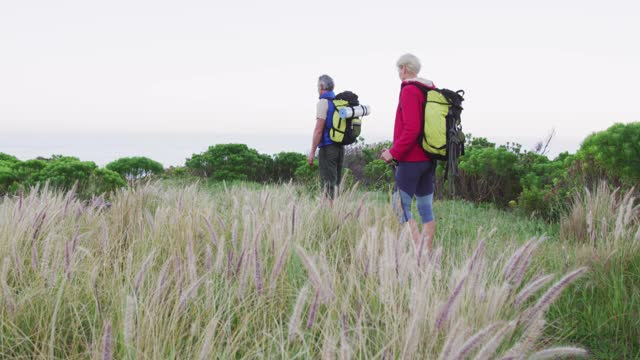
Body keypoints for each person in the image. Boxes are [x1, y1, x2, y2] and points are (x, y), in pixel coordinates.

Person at [381, 54, 436, 251]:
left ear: (404, 68)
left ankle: (419, 254)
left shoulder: (409, 90)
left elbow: (412, 128)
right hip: (429, 158)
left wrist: (393, 153)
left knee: (399, 206)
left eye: (399, 69)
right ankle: (427, 256)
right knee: (425, 210)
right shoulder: (428, 89)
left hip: (412, 160)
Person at [307, 74, 344, 202]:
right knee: (336, 183)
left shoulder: (323, 102)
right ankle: (336, 212)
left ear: (322, 86)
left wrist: (312, 152)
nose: (317, 89)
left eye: (318, 86)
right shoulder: (339, 102)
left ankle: (328, 215)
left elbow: (318, 130)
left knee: (328, 184)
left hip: (328, 148)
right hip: (340, 148)